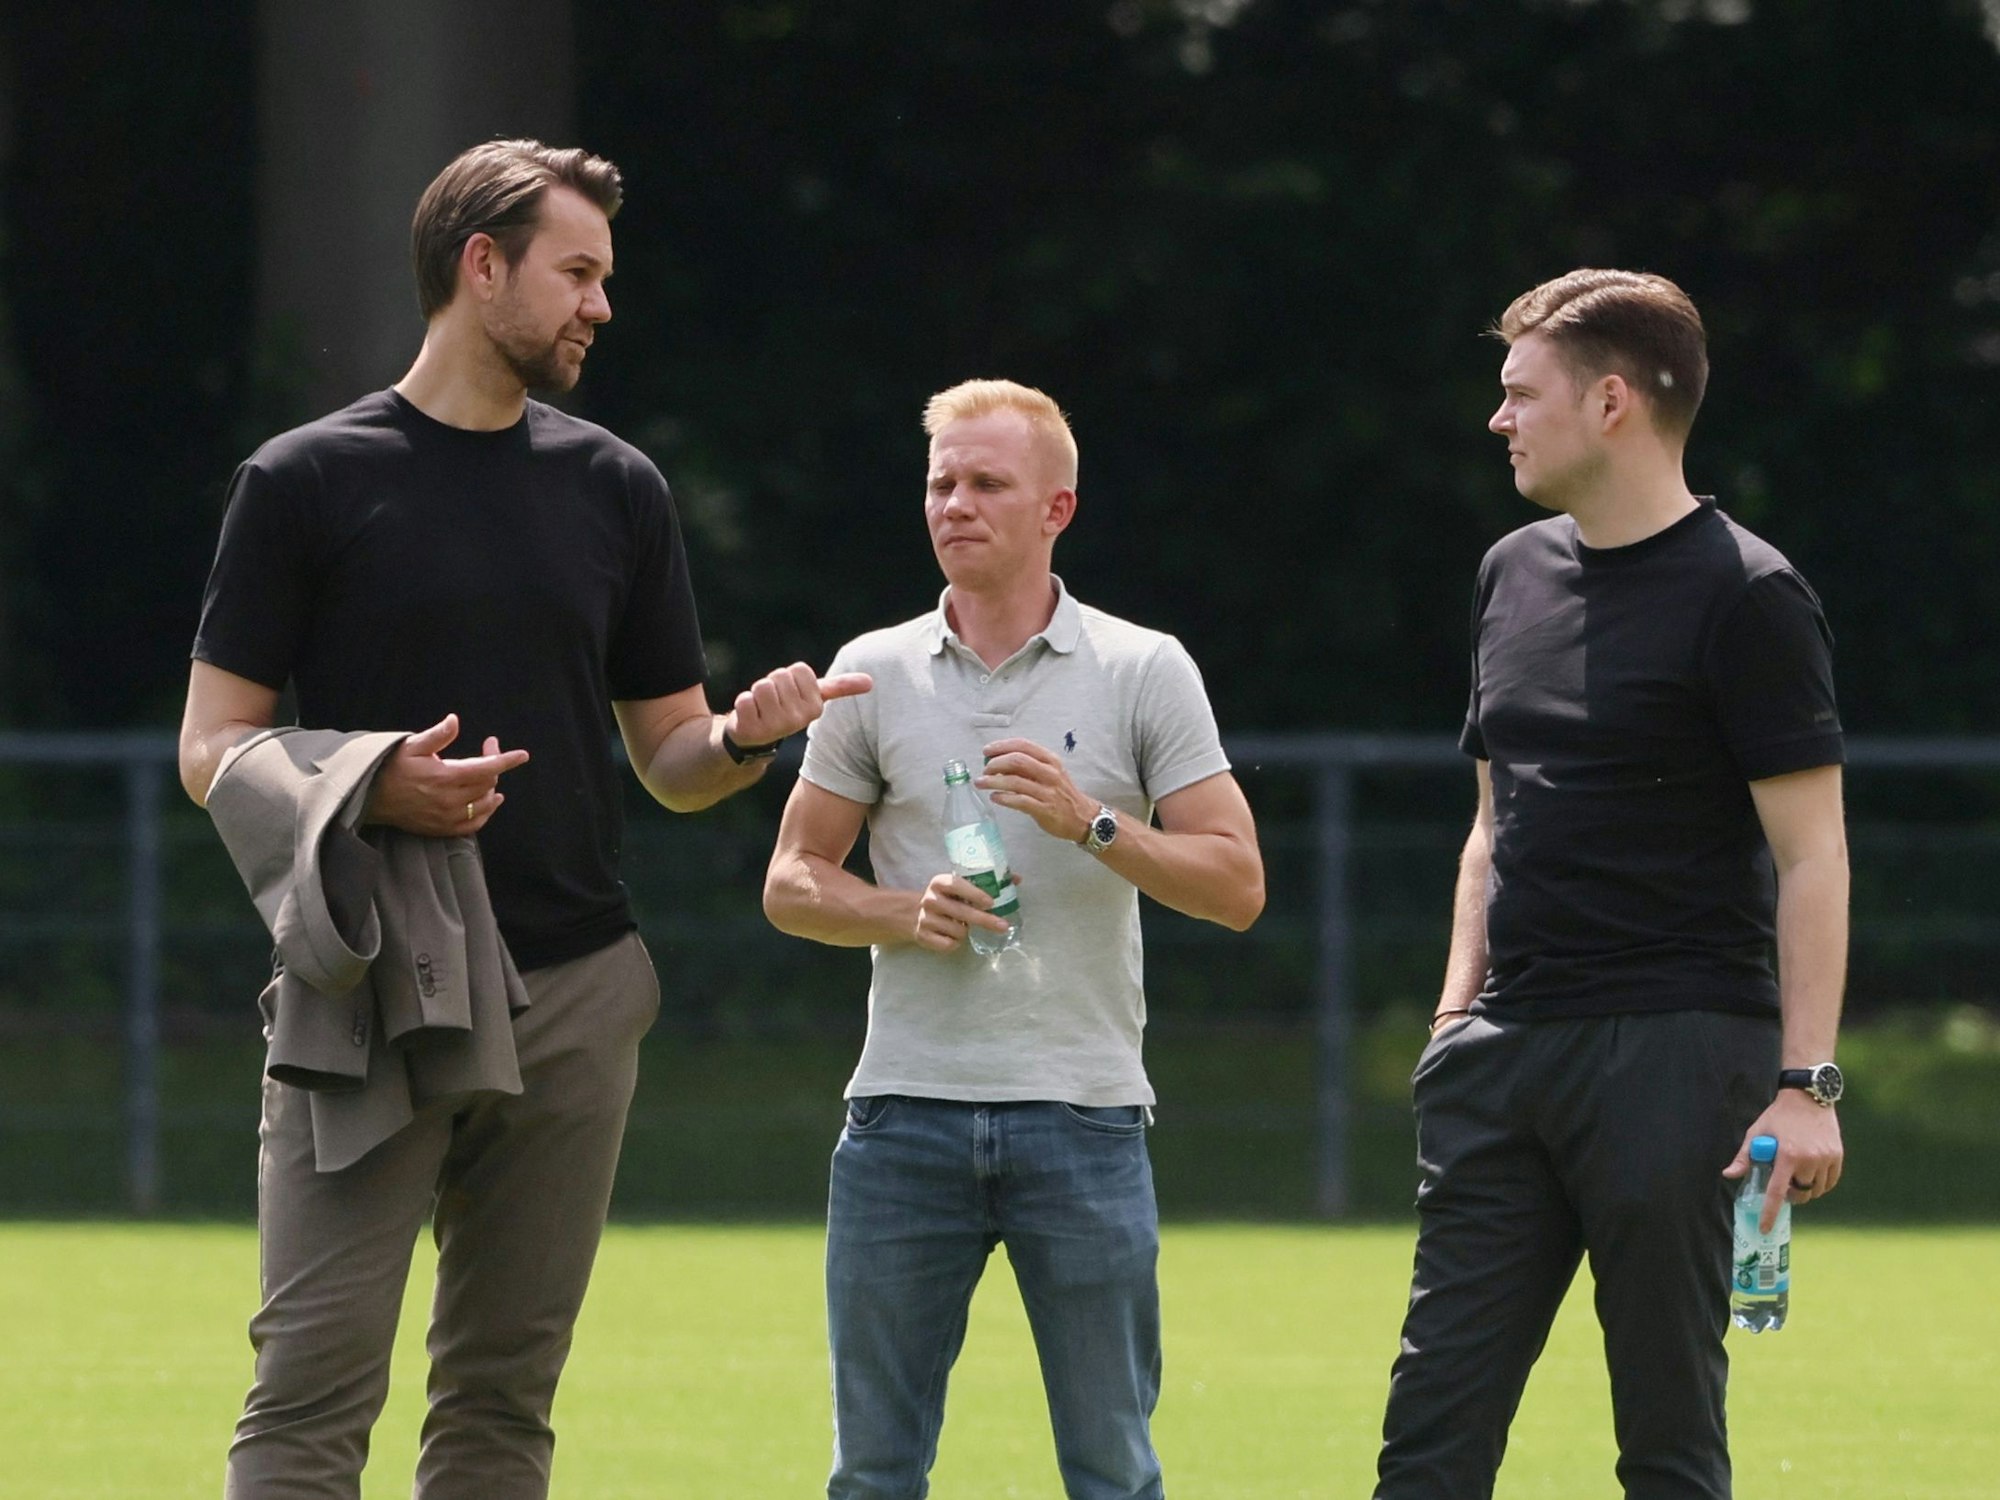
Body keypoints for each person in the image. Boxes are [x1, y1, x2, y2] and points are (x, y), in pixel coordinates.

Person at [178, 138, 868, 1500]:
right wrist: (375, 783)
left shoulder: (617, 487)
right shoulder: (304, 481)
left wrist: (746, 736)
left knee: (503, 1406)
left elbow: (670, 755)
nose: (600, 306)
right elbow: (212, 746)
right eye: (577, 273)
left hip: (578, 990)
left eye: (604, 278)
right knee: (310, 1394)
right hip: (371, 989)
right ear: (479, 266)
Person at [1373, 269, 1849, 1500]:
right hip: (1500, 1056)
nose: (1498, 419)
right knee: (1427, 1441)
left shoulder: (1749, 594)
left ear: (1612, 404)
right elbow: (1490, 824)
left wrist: (1804, 1086)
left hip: (1675, 1053)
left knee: (1666, 1445)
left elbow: (1812, 856)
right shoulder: (1507, 572)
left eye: (1519, 393)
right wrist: (1450, 1017)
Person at [763, 378, 1265, 1500]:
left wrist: (1087, 821)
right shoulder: (872, 669)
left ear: (1057, 509)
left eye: (987, 483)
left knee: (1110, 1471)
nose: (956, 504)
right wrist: (905, 912)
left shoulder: (1143, 667)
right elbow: (791, 883)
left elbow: (1235, 886)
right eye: (940, 482)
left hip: (1082, 1115)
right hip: (900, 1117)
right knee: (872, 1474)